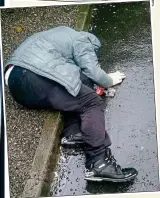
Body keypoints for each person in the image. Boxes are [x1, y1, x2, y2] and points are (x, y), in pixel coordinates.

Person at [4, 26, 138, 182]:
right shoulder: (84, 40)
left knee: (73, 93)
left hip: (17, 85)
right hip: (35, 75)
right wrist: (108, 80)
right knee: (91, 102)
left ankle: (73, 134)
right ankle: (99, 163)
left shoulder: (59, 35)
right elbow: (92, 70)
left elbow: (76, 77)